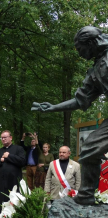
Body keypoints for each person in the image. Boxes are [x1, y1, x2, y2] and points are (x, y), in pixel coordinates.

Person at [32, 26, 108, 205]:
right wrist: (52, 107)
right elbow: (80, 99)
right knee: (89, 148)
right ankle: (86, 197)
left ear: (90, 43)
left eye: (80, 49)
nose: (80, 54)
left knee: (90, 148)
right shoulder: (97, 69)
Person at [0, 130, 26, 217]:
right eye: (2, 138)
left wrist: (9, 156)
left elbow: (22, 162)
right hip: (1, 183)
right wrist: (0, 160)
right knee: (0, 202)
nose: (3, 139)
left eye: (5, 137)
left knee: (13, 202)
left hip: (13, 181)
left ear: (11, 138)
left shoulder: (18, 149)